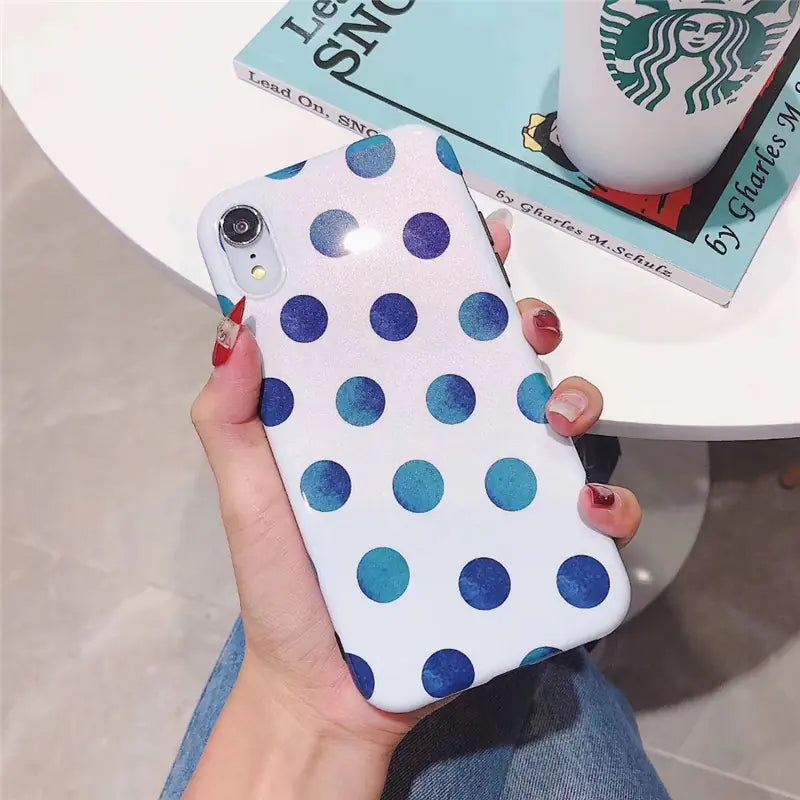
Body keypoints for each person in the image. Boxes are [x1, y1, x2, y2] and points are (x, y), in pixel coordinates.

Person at [160, 213, 669, 800]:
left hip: (330, 709)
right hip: (359, 693)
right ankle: (584, 475)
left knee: (541, 671)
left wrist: (303, 709)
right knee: (553, 674)